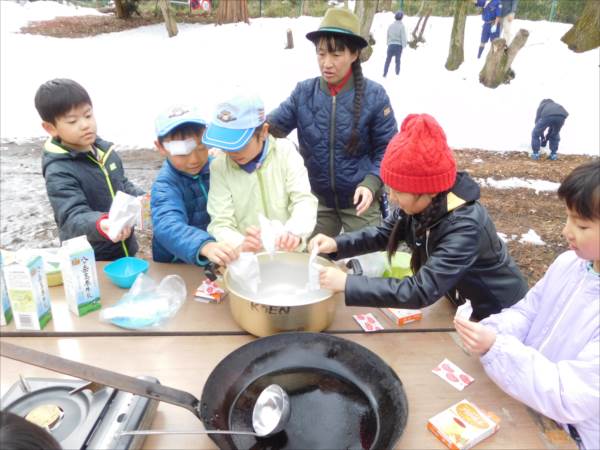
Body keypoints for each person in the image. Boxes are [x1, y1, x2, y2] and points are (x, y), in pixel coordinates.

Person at [310, 114, 528, 321]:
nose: (392, 198)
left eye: (399, 191)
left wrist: (348, 283)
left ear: (429, 190)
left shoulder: (465, 226)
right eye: (390, 188)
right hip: (460, 302)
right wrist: (336, 243)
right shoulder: (420, 206)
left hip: (497, 313)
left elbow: (421, 290)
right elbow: (383, 233)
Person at [455, 161, 600, 449]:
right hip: (529, 400)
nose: (566, 232)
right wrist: (491, 330)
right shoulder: (570, 264)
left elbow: (568, 395)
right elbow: (528, 312)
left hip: (572, 435)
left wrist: (498, 349)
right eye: (568, 218)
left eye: (582, 225)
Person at [268, 8, 397, 238]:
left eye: (336, 55)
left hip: (360, 202)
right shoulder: (304, 93)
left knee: (368, 266)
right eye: (321, 54)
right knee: (307, 261)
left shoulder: (375, 96)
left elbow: (388, 150)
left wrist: (371, 183)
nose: (327, 63)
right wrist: (240, 133)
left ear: (354, 54)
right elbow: (271, 127)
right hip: (317, 201)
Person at [35, 78, 144, 261]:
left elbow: (121, 184)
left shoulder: (105, 152)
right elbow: (71, 217)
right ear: (50, 128)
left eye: (88, 115)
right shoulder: (58, 169)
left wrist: (141, 197)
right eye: (72, 121)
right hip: (90, 258)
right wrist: (102, 224)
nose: (85, 125)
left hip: (124, 248)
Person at [202, 94, 318, 253]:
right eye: (225, 145)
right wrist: (241, 244)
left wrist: (295, 232)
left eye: (239, 144)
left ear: (263, 132)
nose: (231, 153)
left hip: (288, 250)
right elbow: (220, 223)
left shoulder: (285, 152)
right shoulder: (220, 167)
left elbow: (303, 200)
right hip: (247, 257)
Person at [150, 105, 238, 267]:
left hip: (216, 254)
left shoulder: (217, 168)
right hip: (178, 262)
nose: (194, 160)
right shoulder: (165, 185)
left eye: (201, 148)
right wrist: (204, 245)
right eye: (182, 153)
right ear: (161, 147)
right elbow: (167, 225)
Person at [383, 11, 407, 77]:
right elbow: (403, 36)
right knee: (398, 60)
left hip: (391, 45)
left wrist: (388, 43)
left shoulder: (391, 26)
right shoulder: (402, 26)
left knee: (388, 60)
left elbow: (388, 35)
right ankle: (397, 73)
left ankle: (384, 73)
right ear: (402, 18)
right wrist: (404, 45)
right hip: (398, 46)